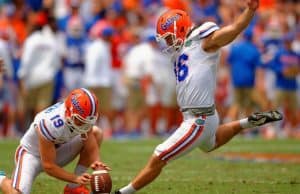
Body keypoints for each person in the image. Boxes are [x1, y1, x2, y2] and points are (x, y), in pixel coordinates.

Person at [114, 1, 283, 193]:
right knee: (211, 144)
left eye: (169, 38)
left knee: (159, 155)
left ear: (182, 28)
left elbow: (234, 29)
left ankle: (123, 192)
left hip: (198, 119)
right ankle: (247, 122)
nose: (167, 43)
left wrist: (250, 10)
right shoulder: (182, 49)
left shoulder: (203, 41)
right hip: (202, 116)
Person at [0, 88, 110, 194]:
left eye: (87, 121)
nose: (84, 125)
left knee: (97, 133)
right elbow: (49, 166)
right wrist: (75, 178)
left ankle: (73, 189)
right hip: (31, 155)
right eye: (80, 120)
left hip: (57, 150)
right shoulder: (50, 123)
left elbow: (89, 137)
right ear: (69, 113)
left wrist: (97, 162)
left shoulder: (80, 117)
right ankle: (1, 178)